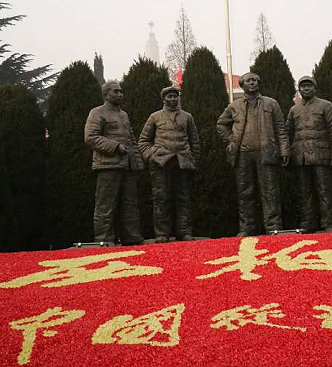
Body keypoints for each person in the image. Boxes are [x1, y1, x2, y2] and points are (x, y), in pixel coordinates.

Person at [216, 72, 289, 236]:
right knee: (245, 192)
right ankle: (246, 228)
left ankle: (273, 227)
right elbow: (221, 124)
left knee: (270, 191)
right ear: (242, 85)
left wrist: (284, 150)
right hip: (243, 155)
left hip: (266, 153)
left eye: (255, 80)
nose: (252, 83)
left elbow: (281, 129)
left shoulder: (271, 103)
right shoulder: (234, 106)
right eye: (248, 81)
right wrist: (232, 140)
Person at [84, 81, 144, 245]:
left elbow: (131, 140)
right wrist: (115, 146)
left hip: (127, 166)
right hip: (108, 165)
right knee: (105, 205)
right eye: (116, 91)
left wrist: (137, 163)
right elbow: (90, 137)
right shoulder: (97, 112)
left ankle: (132, 238)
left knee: (130, 204)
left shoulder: (124, 115)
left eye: (121, 91)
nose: (120, 94)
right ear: (106, 94)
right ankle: (103, 240)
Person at [138, 86, 201, 243]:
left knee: (183, 198)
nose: (173, 99)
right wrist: (152, 155)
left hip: (182, 163)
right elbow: (143, 141)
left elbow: (195, 141)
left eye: (175, 96)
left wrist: (193, 160)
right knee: (161, 198)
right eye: (169, 97)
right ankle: (162, 233)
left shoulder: (187, 117)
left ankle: (184, 232)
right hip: (161, 164)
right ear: (163, 99)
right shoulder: (155, 117)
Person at [286, 75, 332, 233]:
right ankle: (308, 223)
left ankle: (329, 223)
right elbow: (287, 133)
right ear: (299, 89)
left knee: (325, 190)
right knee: (304, 192)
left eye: (309, 85)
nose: (306, 88)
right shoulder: (294, 110)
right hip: (300, 157)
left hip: (321, 155)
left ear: (315, 88)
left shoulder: (325, 105)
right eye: (303, 86)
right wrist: (287, 153)